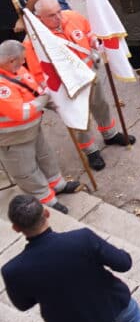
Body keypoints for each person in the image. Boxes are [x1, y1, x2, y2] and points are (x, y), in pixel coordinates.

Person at [2, 194, 140, 322]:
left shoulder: (13, 270)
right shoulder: (81, 239)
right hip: (112, 301)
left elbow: (23, 304)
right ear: (46, 213)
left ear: (16, 228)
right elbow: (123, 264)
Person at [0, 42, 81, 212]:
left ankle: (57, 185)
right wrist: (44, 99)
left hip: (33, 130)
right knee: (26, 172)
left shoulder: (17, 70)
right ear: (11, 60)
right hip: (13, 139)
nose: (23, 64)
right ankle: (46, 200)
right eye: (21, 60)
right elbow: (21, 112)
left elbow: (36, 90)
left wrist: (59, 106)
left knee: (46, 156)